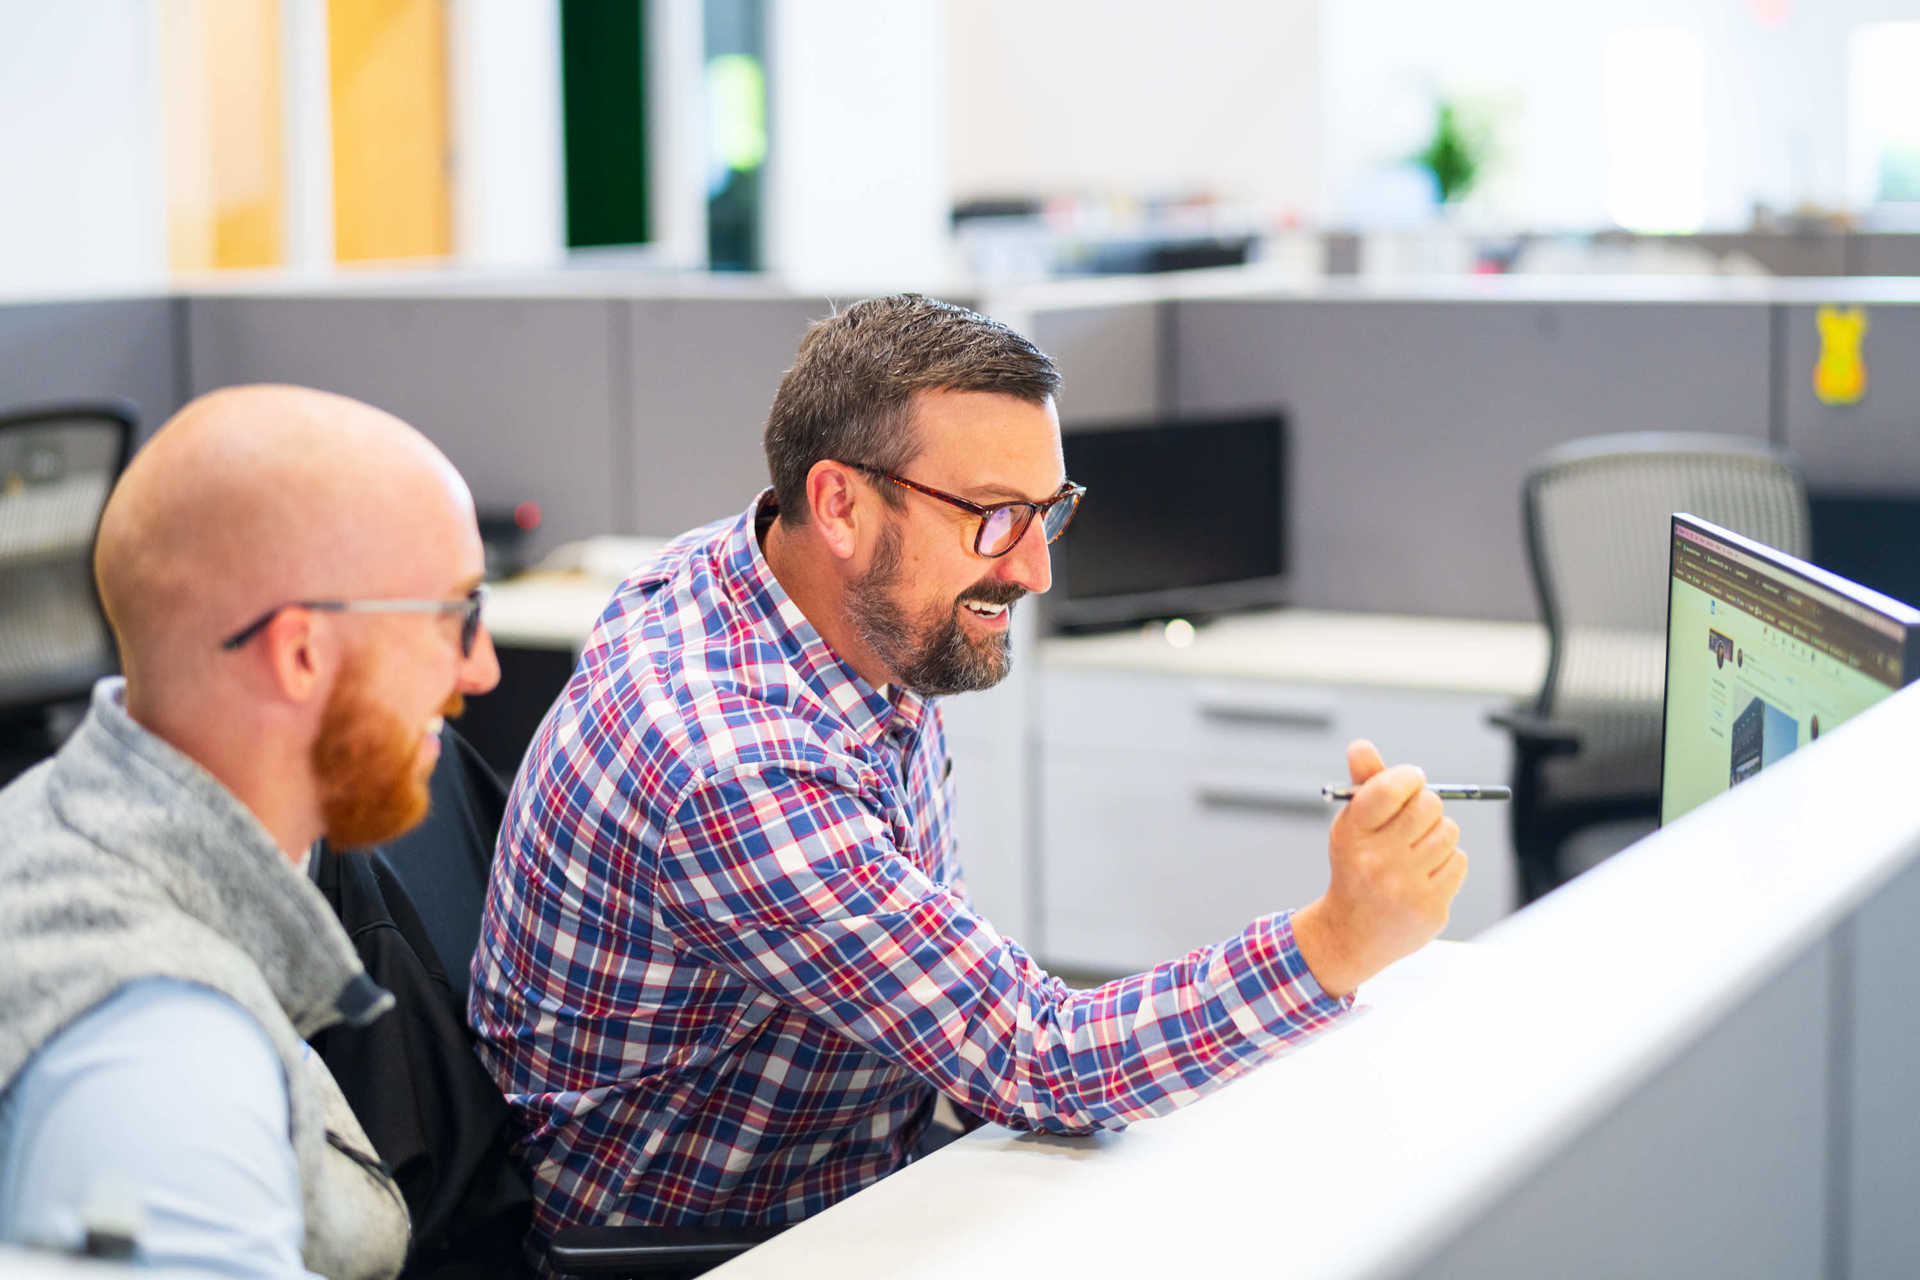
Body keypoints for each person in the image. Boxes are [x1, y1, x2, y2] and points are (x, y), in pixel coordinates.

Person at [470, 294, 1466, 1253]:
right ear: (839, 503)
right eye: (993, 515)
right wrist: (1337, 940)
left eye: (1047, 510)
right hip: (740, 1240)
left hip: (868, 1165)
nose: (1033, 568)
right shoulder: (731, 766)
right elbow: (1038, 1052)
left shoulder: (794, 585)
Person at [0, 385, 501, 1278]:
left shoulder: (58, 817)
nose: (482, 668)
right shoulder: (157, 1063)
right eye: (453, 615)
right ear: (301, 652)